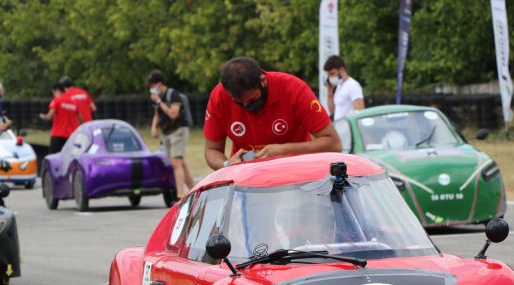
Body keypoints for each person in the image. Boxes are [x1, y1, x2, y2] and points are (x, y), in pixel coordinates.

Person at [204, 56, 342, 171]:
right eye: (239, 103)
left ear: (263, 80)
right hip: (247, 180)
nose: (247, 107)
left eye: (252, 100)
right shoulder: (219, 96)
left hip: (297, 174)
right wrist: (227, 165)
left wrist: (284, 151)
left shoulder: (294, 90)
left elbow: (334, 143)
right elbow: (212, 150)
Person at [147, 69, 195, 199]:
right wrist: (154, 128)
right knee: (180, 162)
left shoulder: (173, 95)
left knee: (176, 163)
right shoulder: (158, 99)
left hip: (178, 130)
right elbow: (157, 114)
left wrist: (159, 102)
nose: (151, 89)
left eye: (152, 86)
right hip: (167, 133)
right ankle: (194, 190)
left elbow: (174, 114)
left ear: (159, 84)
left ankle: (180, 194)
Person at [39, 82, 83, 154]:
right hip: (71, 135)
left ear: (57, 91)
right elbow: (81, 119)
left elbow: (49, 116)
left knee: (53, 156)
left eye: (53, 93)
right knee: (69, 156)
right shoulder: (74, 102)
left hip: (58, 134)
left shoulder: (57, 100)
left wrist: (43, 116)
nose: (54, 95)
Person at [323, 55, 365, 121]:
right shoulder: (339, 86)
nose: (330, 77)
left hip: (348, 129)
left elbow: (360, 112)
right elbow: (332, 112)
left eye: (332, 73)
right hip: (340, 128)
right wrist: (329, 90)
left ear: (342, 70)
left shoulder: (353, 85)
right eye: (328, 75)